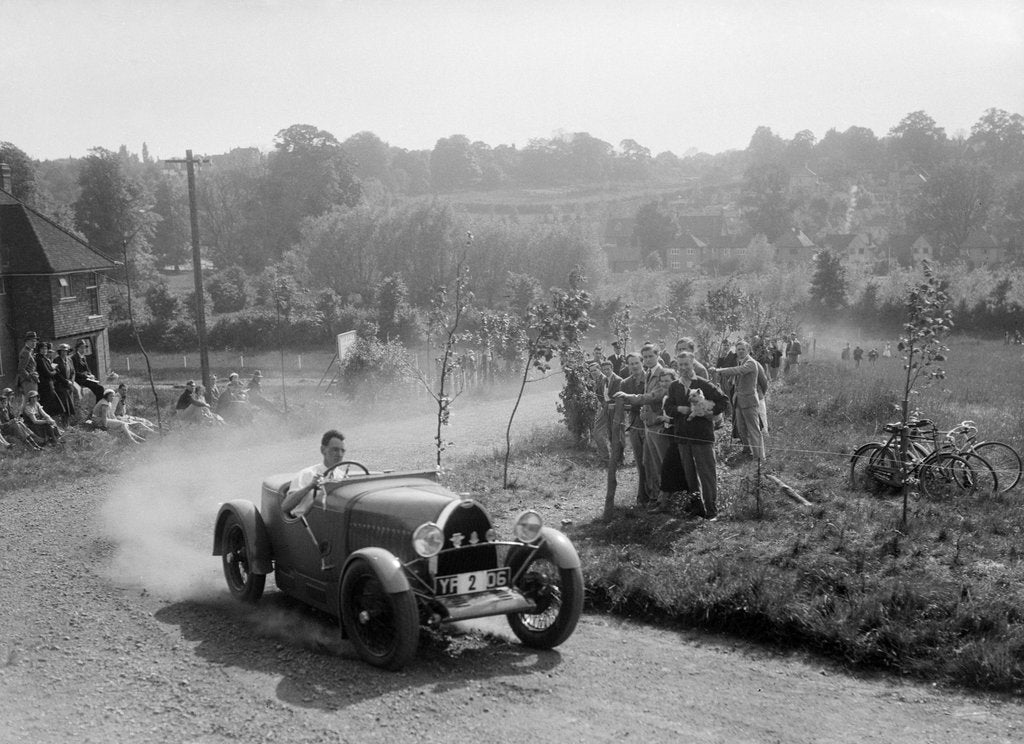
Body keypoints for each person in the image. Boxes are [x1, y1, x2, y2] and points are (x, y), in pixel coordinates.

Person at [665, 352, 728, 520]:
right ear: (677, 366)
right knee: (690, 475)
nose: (684, 368)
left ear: (693, 364)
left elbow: (723, 401)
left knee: (707, 473)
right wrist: (679, 409)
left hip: (702, 437)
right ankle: (697, 508)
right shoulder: (674, 386)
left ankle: (712, 511)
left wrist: (709, 412)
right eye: (681, 365)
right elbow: (668, 407)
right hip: (683, 437)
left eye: (687, 364)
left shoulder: (704, 384)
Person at [282, 430, 350, 569]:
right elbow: (285, 506)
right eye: (335, 450)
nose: (340, 455)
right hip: (306, 528)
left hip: (332, 527)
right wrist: (310, 486)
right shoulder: (307, 474)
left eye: (342, 451)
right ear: (323, 450)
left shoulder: (342, 477)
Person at [710, 340, 768, 464]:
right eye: (739, 349)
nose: (740, 351)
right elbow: (735, 376)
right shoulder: (740, 361)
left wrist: (718, 370)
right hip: (738, 401)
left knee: (753, 429)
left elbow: (737, 370)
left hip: (749, 401)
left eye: (743, 349)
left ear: (748, 350)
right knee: (741, 428)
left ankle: (760, 457)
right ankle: (747, 449)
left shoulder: (751, 363)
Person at [617, 352, 649, 506]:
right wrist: (635, 403)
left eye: (637, 363)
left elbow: (651, 399)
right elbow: (624, 405)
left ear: (642, 363)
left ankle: (656, 496)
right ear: (627, 366)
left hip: (651, 425)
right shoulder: (625, 383)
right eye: (631, 364)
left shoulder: (650, 378)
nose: (634, 366)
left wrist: (635, 401)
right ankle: (642, 497)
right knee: (640, 461)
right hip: (635, 424)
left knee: (652, 461)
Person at [72, 339, 106, 405]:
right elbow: (75, 372)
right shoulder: (74, 358)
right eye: (81, 347)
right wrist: (86, 376)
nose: (83, 349)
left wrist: (91, 375)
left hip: (86, 378)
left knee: (100, 388)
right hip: (79, 379)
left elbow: (87, 369)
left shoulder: (83, 357)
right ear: (77, 348)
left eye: (84, 347)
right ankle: (98, 406)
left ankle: (98, 405)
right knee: (99, 388)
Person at [53, 344, 78, 426]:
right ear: (59, 352)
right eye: (62, 351)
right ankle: (63, 425)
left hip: (69, 386)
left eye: (66, 351)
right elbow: (56, 374)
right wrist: (66, 382)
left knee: (70, 406)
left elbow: (73, 372)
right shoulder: (55, 360)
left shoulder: (69, 360)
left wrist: (71, 381)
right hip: (60, 386)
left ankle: (68, 424)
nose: (64, 353)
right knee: (64, 406)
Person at [16, 331, 40, 401]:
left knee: (32, 401)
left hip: (31, 380)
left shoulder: (30, 351)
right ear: (26, 341)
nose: (34, 343)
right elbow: (21, 369)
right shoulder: (26, 352)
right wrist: (30, 378)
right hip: (28, 382)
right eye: (32, 341)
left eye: (35, 341)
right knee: (30, 401)